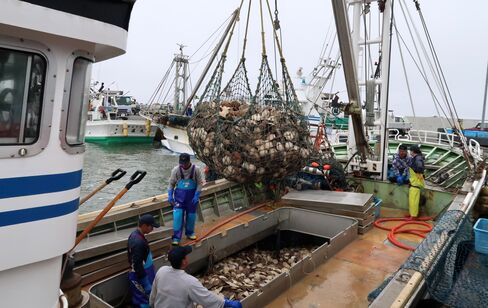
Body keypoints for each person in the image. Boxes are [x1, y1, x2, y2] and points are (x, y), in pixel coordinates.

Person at [149, 246, 242, 308]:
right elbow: (206, 298)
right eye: (186, 256)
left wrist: (151, 304)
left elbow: (153, 294)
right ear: (184, 261)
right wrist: (226, 302)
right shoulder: (189, 282)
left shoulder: (161, 271)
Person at [168, 153, 204, 245]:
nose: (183, 165)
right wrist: (170, 196)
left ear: (189, 161)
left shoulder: (196, 170)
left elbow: (200, 183)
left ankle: (190, 233)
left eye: (185, 163)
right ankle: (176, 237)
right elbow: (171, 184)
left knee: (191, 216)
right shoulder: (176, 170)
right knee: (177, 216)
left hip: (191, 198)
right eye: (181, 163)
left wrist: (197, 195)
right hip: (179, 199)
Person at [127, 214, 160, 308]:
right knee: (143, 300)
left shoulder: (137, 234)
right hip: (140, 275)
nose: (152, 229)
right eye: (151, 226)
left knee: (147, 298)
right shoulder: (138, 242)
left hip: (147, 270)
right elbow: (137, 264)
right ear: (144, 225)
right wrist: (145, 282)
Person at [407, 144, 425, 218]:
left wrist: (417, 171)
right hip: (413, 183)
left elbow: (420, 168)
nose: (409, 152)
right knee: (411, 200)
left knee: (414, 201)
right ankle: (411, 214)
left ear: (413, 151)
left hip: (416, 184)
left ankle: (413, 216)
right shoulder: (416, 158)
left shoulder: (417, 158)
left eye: (410, 150)